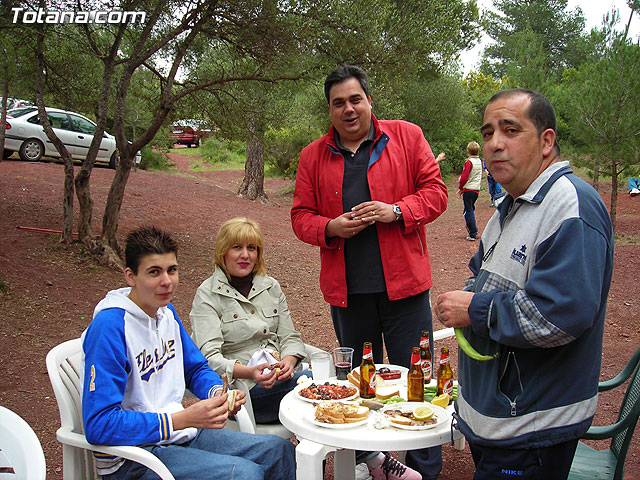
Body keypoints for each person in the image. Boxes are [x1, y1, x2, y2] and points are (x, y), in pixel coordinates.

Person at [435, 89, 614, 480]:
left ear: (546, 141)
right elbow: (480, 273)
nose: (495, 143)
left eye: (510, 130)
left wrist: (474, 308)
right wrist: (467, 294)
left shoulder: (569, 206)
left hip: (532, 428)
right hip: (499, 421)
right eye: (487, 133)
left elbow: (558, 316)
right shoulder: (509, 208)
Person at [291, 64, 448, 480]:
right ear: (329, 110)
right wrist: (330, 227)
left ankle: (425, 470)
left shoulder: (407, 136)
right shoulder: (313, 155)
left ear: (369, 100)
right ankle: (374, 464)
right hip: (349, 294)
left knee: (419, 381)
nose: (348, 109)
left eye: (355, 99)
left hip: (406, 289)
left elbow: (436, 193)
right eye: (338, 103)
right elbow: (300, 216)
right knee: (359, 385)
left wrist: (396, 211)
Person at [81, 225, 296, 480]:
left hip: (179, 436)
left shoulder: (166, 313)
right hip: (133, 457)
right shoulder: (110, 328)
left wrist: (218, 393)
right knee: (244, 475)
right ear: (130, 276)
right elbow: (99, 424)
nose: (167, 281)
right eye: (154, 272)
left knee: (279, 451)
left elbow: (195, 368)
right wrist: (181, 419)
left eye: (172, 270)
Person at [190, 217, 310, 424]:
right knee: (314, 392)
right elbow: (208, 358)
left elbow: (289, 336)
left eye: (252, 248)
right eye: (237, 247)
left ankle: (350, 456)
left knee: (333, 385)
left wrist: (289, 361)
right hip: (245, 392)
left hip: (283, 379)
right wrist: (251, 373)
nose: (245, 255)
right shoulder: (208, 294)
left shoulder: (270, 286)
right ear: (223, 251)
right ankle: (370, 457)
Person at [458, 141, 483, 240]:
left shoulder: (469, 162)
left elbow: (464, 178)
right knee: (470, 209)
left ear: (468, 151)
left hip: (468, 190)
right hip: (476, 190)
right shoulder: (479, 161)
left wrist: (460, 188)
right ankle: (473, 231)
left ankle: (473, 233)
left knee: (468, 211)